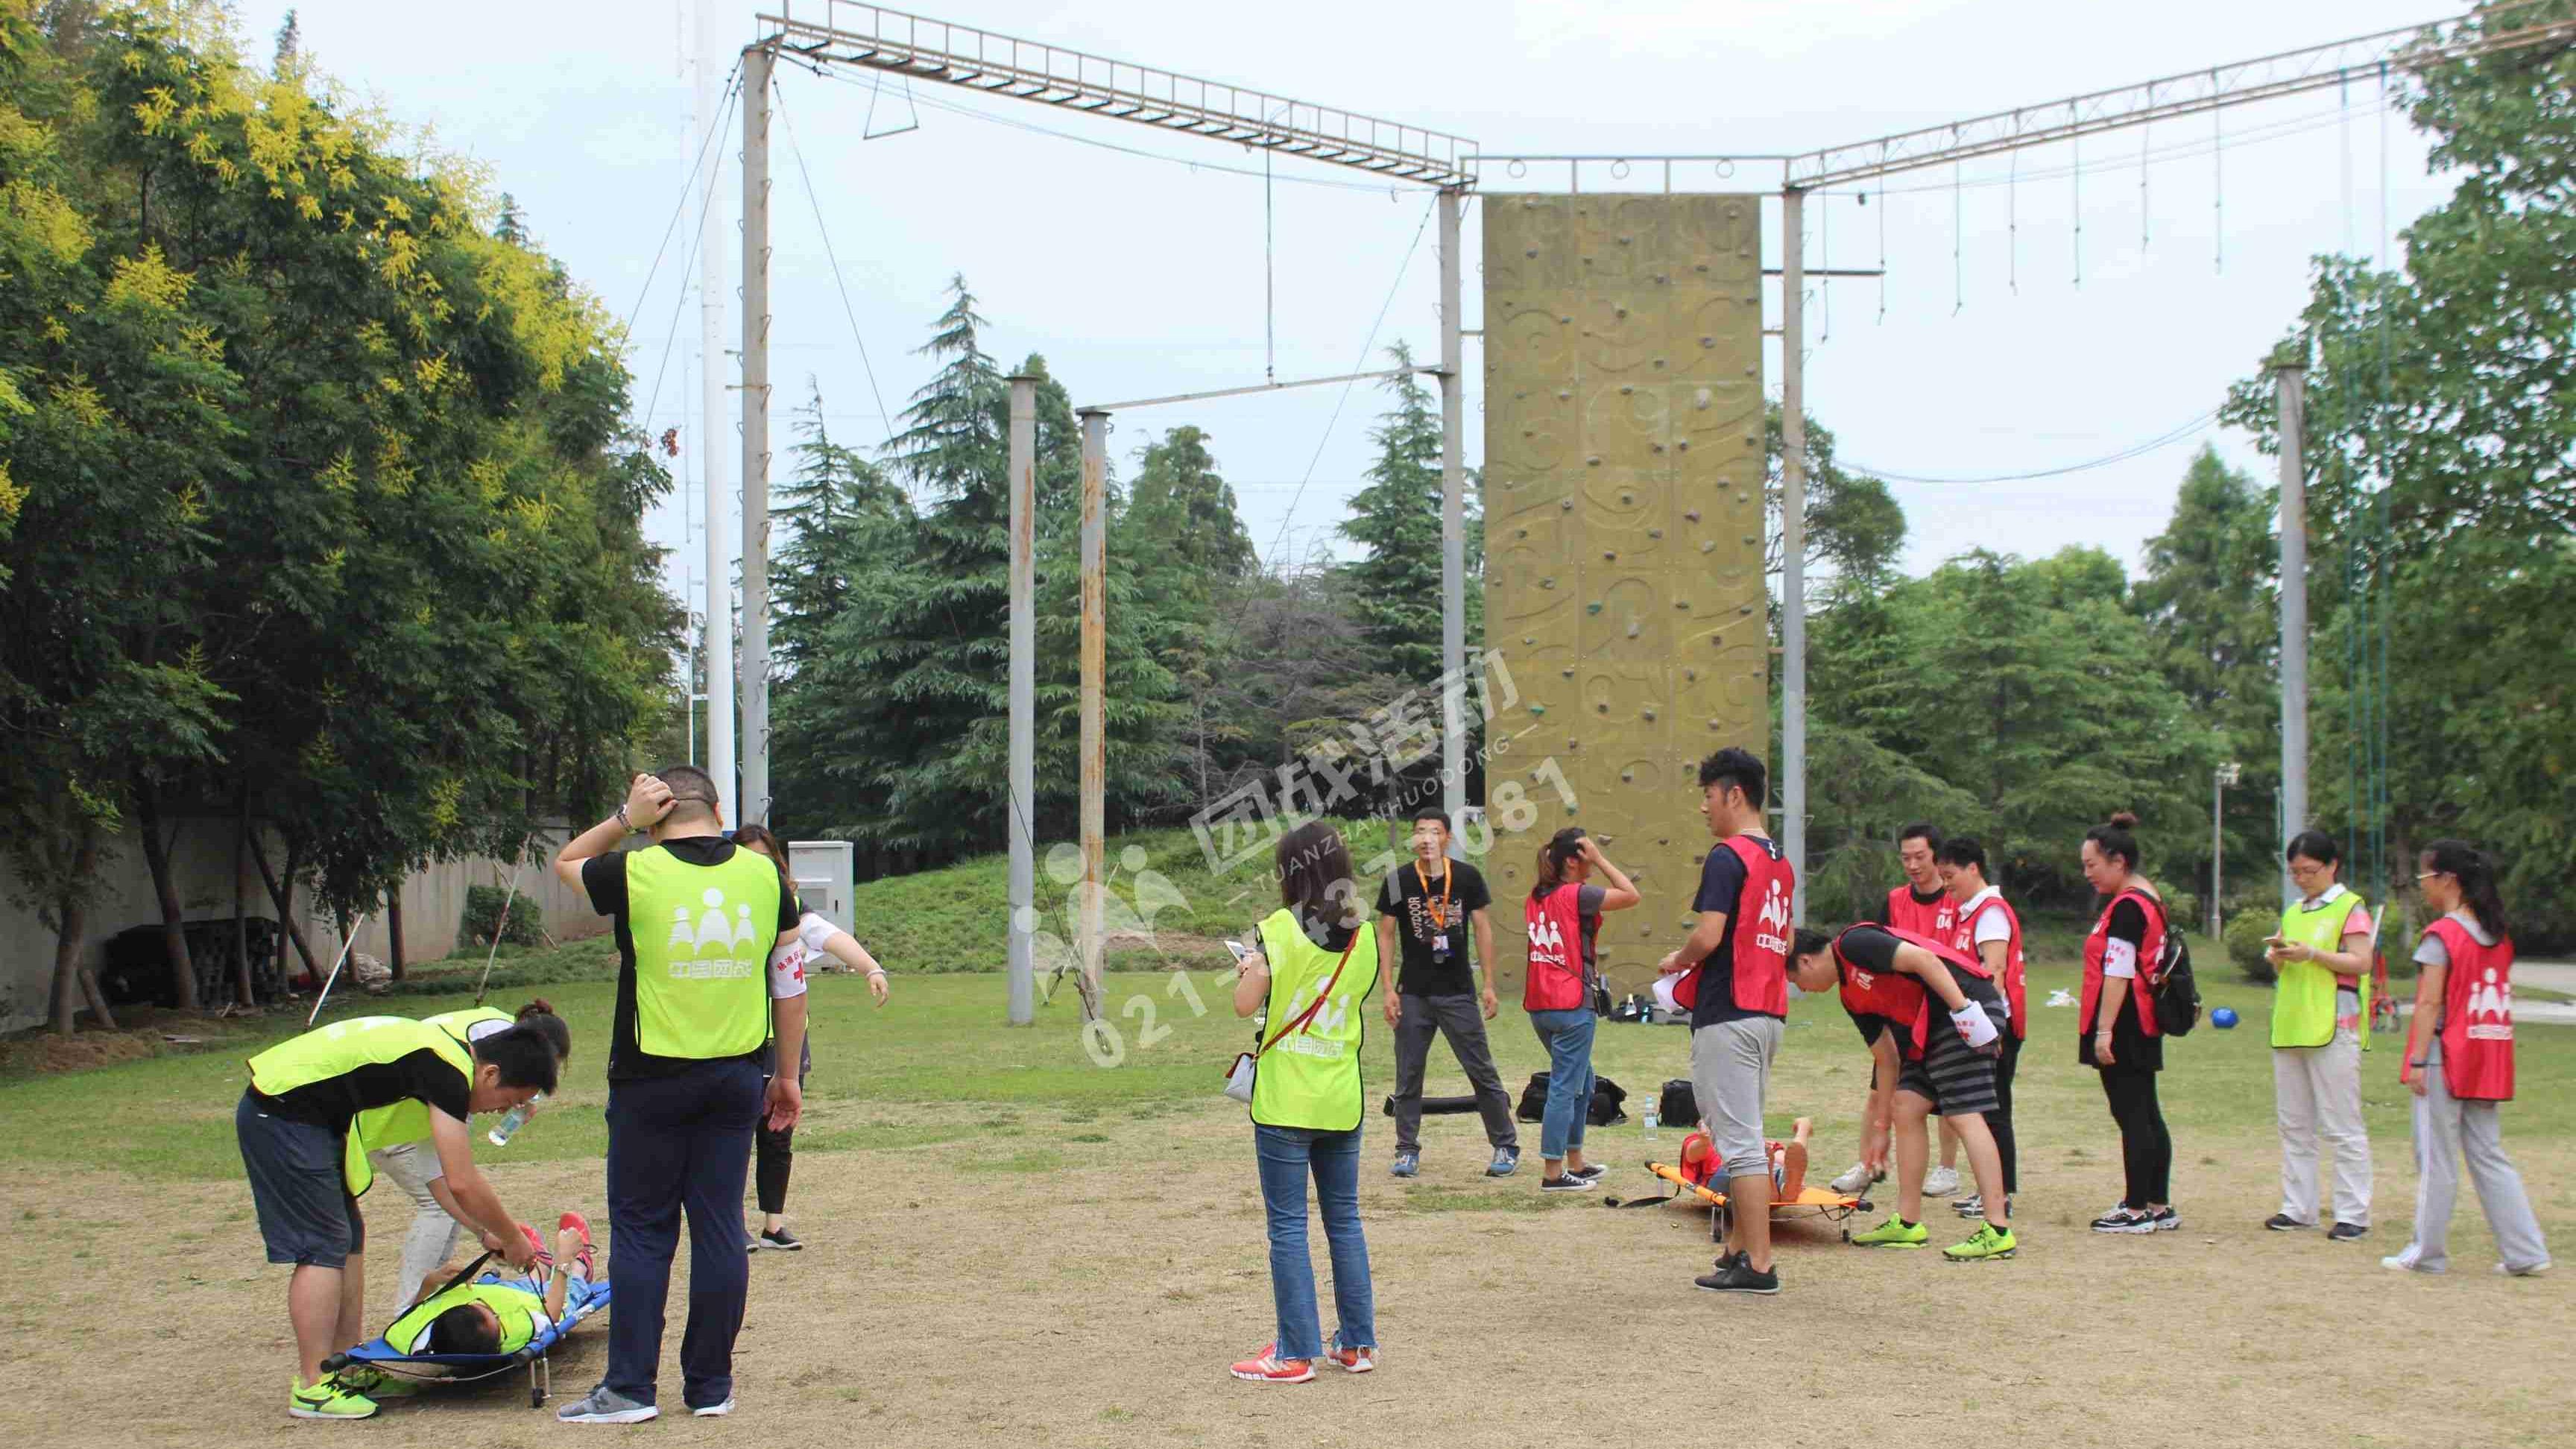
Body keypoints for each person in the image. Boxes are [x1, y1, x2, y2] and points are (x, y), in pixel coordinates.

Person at [549, 768, 808, 1424]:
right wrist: (787, 1076)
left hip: (650, 1077)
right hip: (736, 1077)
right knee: (720, 1224)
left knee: (642, 1230)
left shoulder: (636, 869)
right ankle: (710, 1386)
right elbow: (789, 983)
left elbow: (568, 860)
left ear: (655, 813)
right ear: (719, 809)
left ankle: (631, 1390)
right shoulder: (764, 876)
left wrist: (622, 819)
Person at [236, 1012, 558, 1419]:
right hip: (282, 1115)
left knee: (348, 1236)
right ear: (491, 1074)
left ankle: (347, 1364)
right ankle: (313, 1386)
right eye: (509, 1102)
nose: (502, 1112)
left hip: (313, 1117)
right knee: (323, 1246)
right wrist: (512, 1237)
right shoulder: (447, 1071)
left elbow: (442, 1176)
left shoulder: (443, 1059)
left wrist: (484, 1231)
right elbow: (462, 1180)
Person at [1228, 821, 1381, 1384]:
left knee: (1288, 1227)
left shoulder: (1275, 931)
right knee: (1345, 1221)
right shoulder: (1364, 936)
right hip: (1341, 1096)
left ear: (1289, 870)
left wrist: (1252, 968)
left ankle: (1295, 1352)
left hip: (1287, 1100)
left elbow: (1246, 1005)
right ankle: (1356, 1343)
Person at [1655, 746, 1796, 1295]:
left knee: (1738, 1144)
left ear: (1734, 795)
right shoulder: (1780, 861)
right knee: (1743, 1134)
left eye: (1708, 796)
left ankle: (1759, 1265)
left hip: (1729, 1013)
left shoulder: (1726, 856)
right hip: (1768, 1011)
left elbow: (1710, 935)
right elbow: (1783, 939)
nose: (1703, 808)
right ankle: (1737, 1247)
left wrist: (1677, 961)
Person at [1791, 924, 2017, 1261]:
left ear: (1806, 961)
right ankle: (1909, 1223)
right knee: (1906, 1107)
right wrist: (1881, 1130)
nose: (1803, 990)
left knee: (1963, 1114)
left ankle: (1997, 1230)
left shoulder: (1853, 944)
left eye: (1795, 981)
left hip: (1963, 1004)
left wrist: (1965, 1012)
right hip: (1928, 1028)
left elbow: (1925, 960)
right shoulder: (1850, 996)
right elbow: (1886, 1060)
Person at [2383, 842, 2551, 1277]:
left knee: (2435, 1157)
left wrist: (2418, 1060)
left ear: (2448, 880)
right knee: (2488, 1154)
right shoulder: (2497, 933)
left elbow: (2429, 1004)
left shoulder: (2443, 935)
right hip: (2486, 1051)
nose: (2422, 889)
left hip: (2445, 1056)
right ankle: (2526, 1251)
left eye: (2424, 879)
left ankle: (2427, 1252)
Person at [732, 824, 891, 1253]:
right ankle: (732, 1225)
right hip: (735, 1040)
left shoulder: (792, 909)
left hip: (784, 1041)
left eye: (764, 861)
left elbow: (831, 937)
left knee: (778, 1130)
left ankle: (773, 1225)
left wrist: (872, 969)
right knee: (734, 1133)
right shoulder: (728, 913)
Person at [360, 1000, 573, 1307]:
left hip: (398, 1111)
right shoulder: (464, 1071)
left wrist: (486, 1232)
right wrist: (504, 1236)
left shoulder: (499, 1031)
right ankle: (409, 1310)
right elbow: (451, 1181)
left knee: (446, 1205)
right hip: (388, 1119)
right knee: (436, 1206)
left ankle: (425, 1303)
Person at [1376, 810, 1519, 1179]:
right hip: (1413, 994)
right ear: (1413, 838)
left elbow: (1483, 929)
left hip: (1457, 992)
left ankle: (1505, 1145)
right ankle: (1406, 1150)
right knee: (1408, 1074)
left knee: (1481, 1070)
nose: (1427, 838)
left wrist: (1488, 983)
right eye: (1420, 832)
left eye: (1434, 832)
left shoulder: (1467, 877)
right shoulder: (1399, 880)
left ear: (1448, 838)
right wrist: (1388, 989)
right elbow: (1386, 935)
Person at [1833, 822, 1969, 1200]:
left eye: (1920, 857)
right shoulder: (1894, 901)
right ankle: (1867, 1164)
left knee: (1947, 1099)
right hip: (1899, 1011)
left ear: (1937, 858)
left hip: (1941, 1011)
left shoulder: (1955, 899)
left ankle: (1947, 1169)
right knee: (1880, 1090)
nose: (1912, 864)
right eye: (1905, 857)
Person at [2262, 830, 2374, 1241]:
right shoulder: (2293, 911)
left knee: (2342, 1125)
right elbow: (2285, 967)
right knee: (2294, 1125)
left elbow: (2362, 962)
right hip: (2291, 1026)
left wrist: (2314, 955)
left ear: (2332, 866)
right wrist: (2279, 955)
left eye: (2309, 871)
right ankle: (2298, 1208)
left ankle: (2353, 1214)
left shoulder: (2350, 908)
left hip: (2333, 1026)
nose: (2302, 878)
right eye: (2295, 872)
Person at [1521, 827, 1641, 1191]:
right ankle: (1553, 1173)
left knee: (1583, 1082)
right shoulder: (1577, 894)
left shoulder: (1535, 896)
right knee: (1564, 1085)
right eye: (1587, 854)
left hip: (1540, 1005)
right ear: (1573, 860)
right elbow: (1631, 895)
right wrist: (1602, 860)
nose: (1593, 859)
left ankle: (1575, 1161)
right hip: (1571, 1003)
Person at [2077, 812, 2177, 1234]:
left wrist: (2104, 1032)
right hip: (2141, 1018)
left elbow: (2118, 971)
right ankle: (2158, 1203)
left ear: (2118, 862)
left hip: (2126, 1020)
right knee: (2147, 1113)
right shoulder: (2147, 896)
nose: (2087, 875)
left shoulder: (2128, 908)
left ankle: (2136, 1209)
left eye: (2092, 865)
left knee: (2132, 1113)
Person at [1936, 838, 2024, 1220]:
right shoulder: (1969, 913)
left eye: (1950, 876)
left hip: (1995, 1028)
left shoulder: (1990, 912)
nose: (1946, 885)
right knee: (1986, 1112)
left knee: (1995, 1112)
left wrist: (1990, 1030)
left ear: (1974, 869)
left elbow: (1995, 972)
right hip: (1985, 1028)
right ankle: (1989, 1191)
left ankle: (1999, 1196)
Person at [391, 1212, 604, 1359]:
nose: (494, 1311)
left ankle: (538, 1266)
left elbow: (414, 1314)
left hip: (506, 1294)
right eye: (494, 1316)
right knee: (571, 1290)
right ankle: (580, 1264)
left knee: (524, 1284)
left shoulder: (414, 1338)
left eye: (480, 1306)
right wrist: (564, 1260)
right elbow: (552, 1314)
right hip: (539, 1305)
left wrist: (431, 1282)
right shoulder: (515, 1332)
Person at [1680, 1117, 1812, 1202]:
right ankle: (1803, 1130)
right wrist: (1704, 1140)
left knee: (1749, 1164)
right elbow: (1693, 1154)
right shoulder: (1697, 1141)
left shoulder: (1754, 1141)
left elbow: (1790, 1159)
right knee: (1768, 1162)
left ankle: (1775, 1181)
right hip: (1750, 1166)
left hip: (1741, 1169)